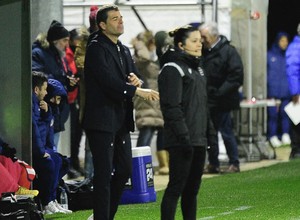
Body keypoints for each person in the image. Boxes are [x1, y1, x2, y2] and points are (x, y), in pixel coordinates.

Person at [83, 4, 159, 220]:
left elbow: (132, 75)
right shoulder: (96, 48)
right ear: (102, 25)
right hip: (101, 120)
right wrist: (138, 90)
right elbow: (107, 82)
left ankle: (106, 215)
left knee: (125, 171)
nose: (120, 21)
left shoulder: (123, 49)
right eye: (115, 18)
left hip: (121, 120)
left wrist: (137, 80)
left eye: (121, 17)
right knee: (104, 175)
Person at [158, 25, 216, 220]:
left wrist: (210, 134)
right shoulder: (172, 69)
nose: (199, 44)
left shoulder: (198, 69)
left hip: (198, 139)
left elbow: (202, 106)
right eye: (194, 41)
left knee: (192, 191)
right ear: (181, 45)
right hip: (181, 140)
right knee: (176, 187)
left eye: (200, 40)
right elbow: (171, 107)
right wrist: (184, 137)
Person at [199, 21, 244, 173]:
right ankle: (213, 163)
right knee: (210, 134)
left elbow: (236, 76)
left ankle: (234, 163)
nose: (202, 40)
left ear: (214, 35)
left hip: (224, 100)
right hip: (209, 100)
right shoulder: (203, 52)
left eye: (204, 37)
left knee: (226, 132)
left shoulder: (229, 51)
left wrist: (219, 92)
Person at [32, 20, 79, 146]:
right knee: (46, 151)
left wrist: (70, 82)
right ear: (55, 40)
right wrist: (63, 81)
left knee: (53, 150)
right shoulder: (38, 53)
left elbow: (64, 75)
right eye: (64, 40)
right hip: (45, 110)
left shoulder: (58, 55)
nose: (67, 45)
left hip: (56, 112)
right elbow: (38, 78)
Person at [32, 71, 72, 215]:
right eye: (45, 89)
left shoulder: (46, 109)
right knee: (51, 162)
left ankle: (52, 199)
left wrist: (48, 113)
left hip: (43, 148)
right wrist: (42, 152)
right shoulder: (35, 106)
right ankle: (47, 200)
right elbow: (36, 131)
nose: (57, 102)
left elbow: (45, 134)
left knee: (63, 161)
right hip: (36, 150)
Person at [132, 31, 168, 175]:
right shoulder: (141, 58)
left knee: (160, 131)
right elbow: (144, 56)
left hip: (156, 101)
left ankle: (163, 165)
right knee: (146, 133)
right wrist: (140, 43)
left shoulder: (154, 58)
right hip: (146, 101)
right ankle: (138, 167)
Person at [267, 32, 291, 148]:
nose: (284, 43)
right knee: (273, 116)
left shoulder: (289, 56)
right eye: (282, 41)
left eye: (286, 41)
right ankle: (272, 136)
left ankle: (286, 134)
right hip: (273, 94)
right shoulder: (269, 55)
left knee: (285, 115)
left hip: (286, 93)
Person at [286, 22, 300, 159]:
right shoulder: (296, 47)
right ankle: (296, 150)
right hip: (299, 93)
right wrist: (295, 92)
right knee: (297, 121)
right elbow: (292, 71)